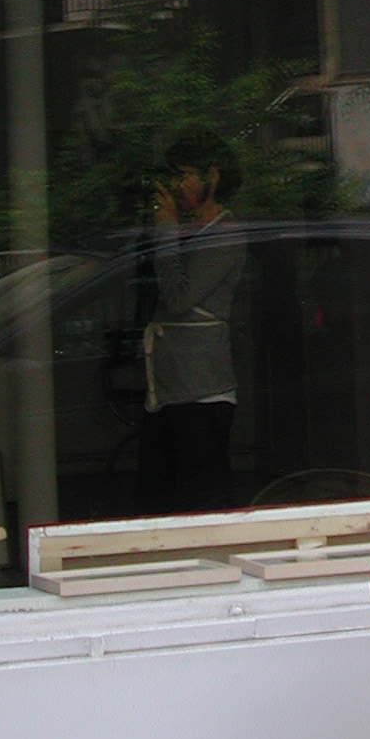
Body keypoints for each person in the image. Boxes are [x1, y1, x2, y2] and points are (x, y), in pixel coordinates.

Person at [139, 166, 246, 514]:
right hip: (170, 389)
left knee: (201, 499)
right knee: (164, 498)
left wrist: (167, 232)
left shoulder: (224, 234)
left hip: (200, 390)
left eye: (185, 176)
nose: (178, 187)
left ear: (213, 177)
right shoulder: (191, 231)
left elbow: (179, 298)